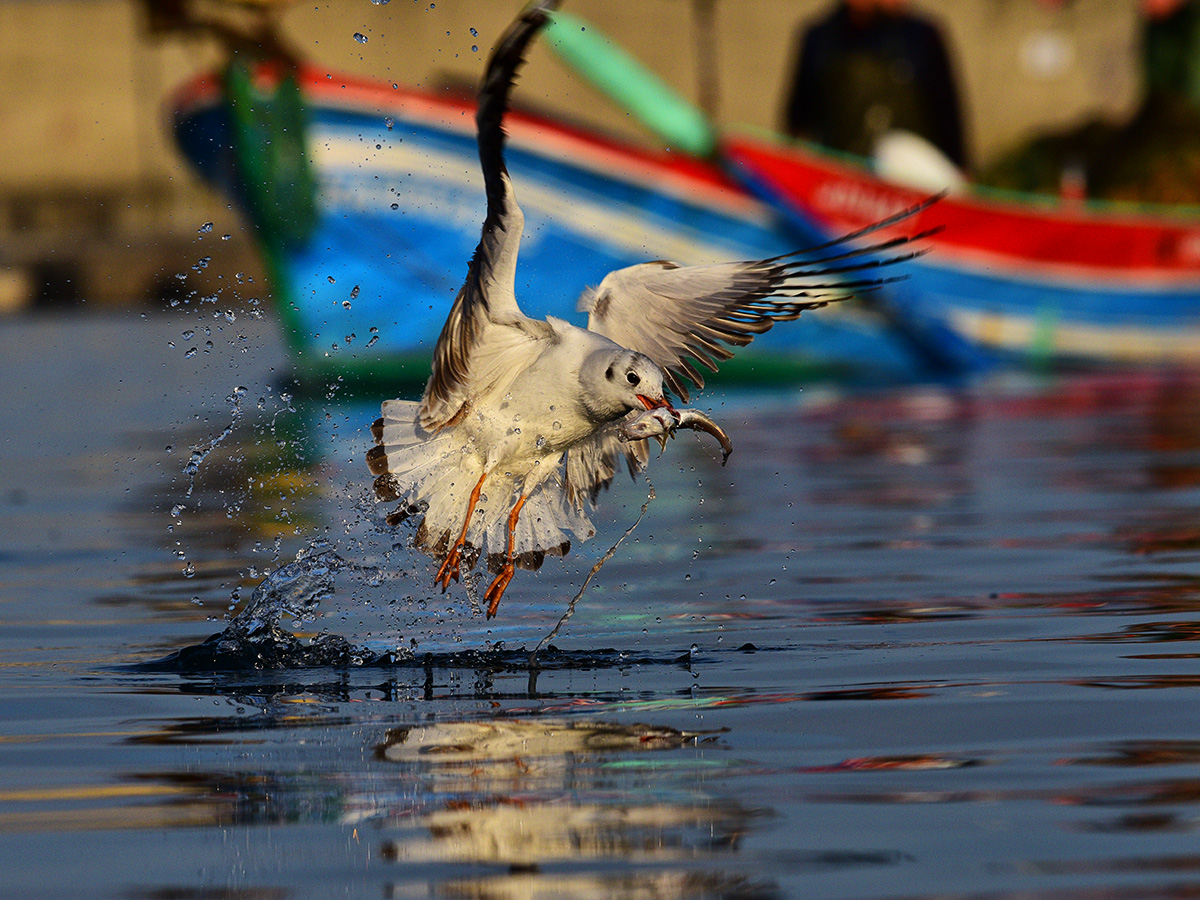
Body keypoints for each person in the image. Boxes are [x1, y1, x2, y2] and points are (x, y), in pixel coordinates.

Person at [782, 0, 968, 170]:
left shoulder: (923, 36)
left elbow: (947, 112)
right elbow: (797, 120)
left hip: (910, 174)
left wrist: (961, 167)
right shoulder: (820, 36)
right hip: (840, 170)